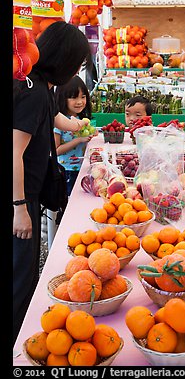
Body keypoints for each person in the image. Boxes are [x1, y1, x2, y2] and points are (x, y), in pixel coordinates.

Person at [13, 21, 92, 344]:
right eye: (75, 63)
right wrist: (20, 207)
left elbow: (54, 117)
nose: (75, 70)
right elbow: (13, 152)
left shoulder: (41, 85)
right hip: (20, 196)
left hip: (29, 192)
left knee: (27, 271)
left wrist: (77, 124)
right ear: (63, 60)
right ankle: (18, 343)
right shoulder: (31, 93)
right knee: (19, 277)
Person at [54, 75, 97, 196]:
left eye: (83, 97)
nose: (80, 102)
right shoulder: (59, 122)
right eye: (73, 98)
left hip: (83, 168)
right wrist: (78, 140)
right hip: (66, 170)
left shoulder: (80, 119)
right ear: (62, 98)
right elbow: (56, 151)